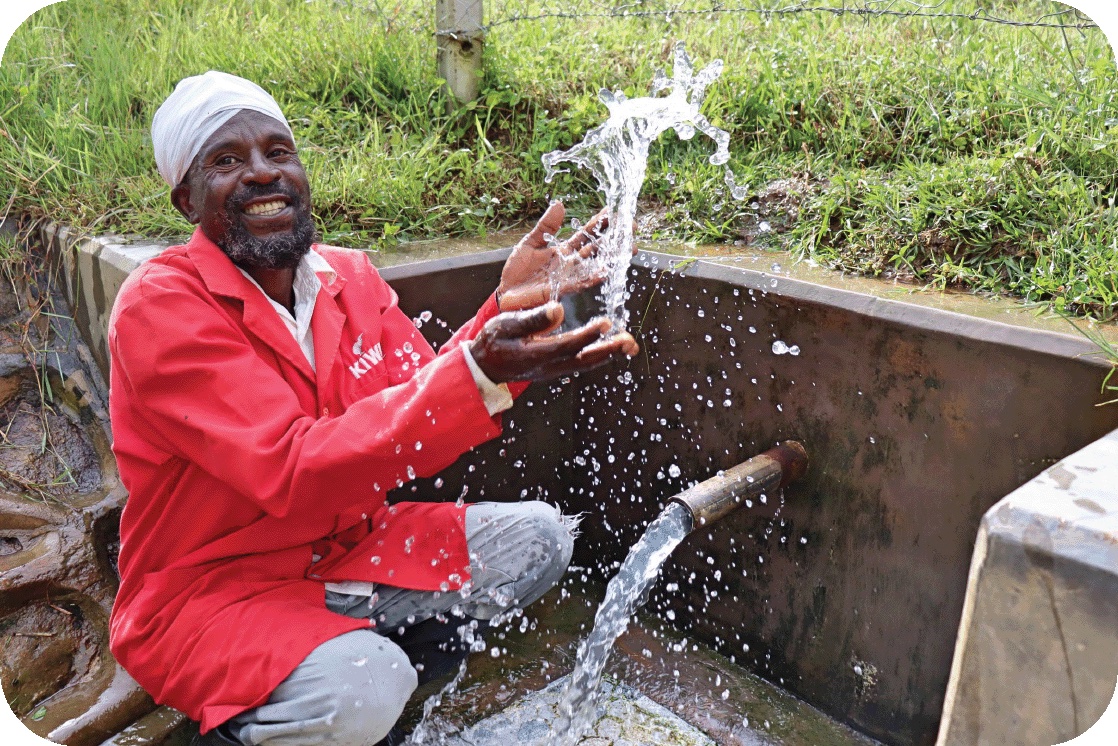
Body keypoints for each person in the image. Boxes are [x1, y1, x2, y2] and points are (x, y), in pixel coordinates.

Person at [107, 71, 639, 746]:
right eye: (226, 161)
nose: (262, 173)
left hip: (348, 553)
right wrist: (477, 368)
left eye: (278, 152)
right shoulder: (162, 307)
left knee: (540, 540)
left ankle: (345, 682)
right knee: (368, 680)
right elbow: (293, 467)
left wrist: (504, 315)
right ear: (186, 198)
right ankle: (281, 713)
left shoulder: (346, 278)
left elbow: (420, 395)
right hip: (213, 593)